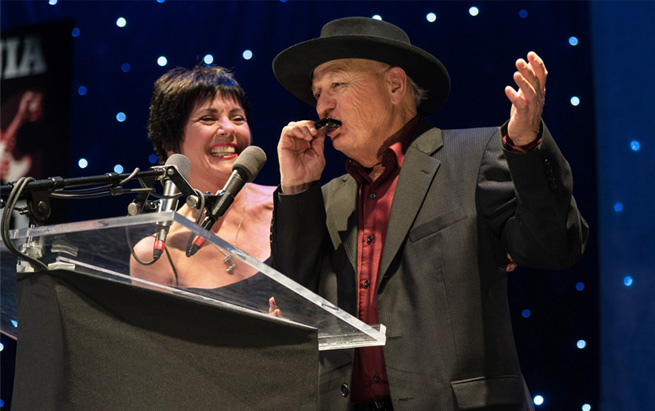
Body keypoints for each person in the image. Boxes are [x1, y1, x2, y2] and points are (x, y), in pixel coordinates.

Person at [270, 17, 588, 411]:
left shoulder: (474, 156)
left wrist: (526, 145)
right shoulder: (327, 198)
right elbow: (289, 305)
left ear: (395, 85)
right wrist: (297, 188)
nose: (322, 106)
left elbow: (554, 246)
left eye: (337, 84)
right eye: (317, 94)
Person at [130, 66, 276, 302]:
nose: (229, 129)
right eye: (208, 118)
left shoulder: (286, 205)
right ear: (170, 144)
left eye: (238, 118)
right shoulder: (156, 253)